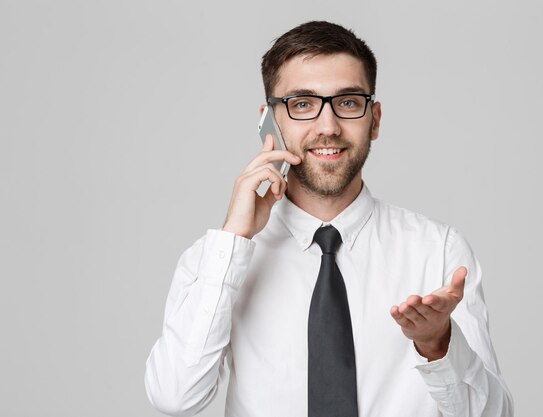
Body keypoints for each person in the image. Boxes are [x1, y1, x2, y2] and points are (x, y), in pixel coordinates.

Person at [145, 21, 513, 417]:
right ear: (269, 122)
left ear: (374, 119)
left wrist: (438, 345)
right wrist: (235, 238)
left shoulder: (437, 251)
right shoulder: (215, 259)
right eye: (302, 104)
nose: (328, 127)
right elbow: (175, 398)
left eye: (348, 102)